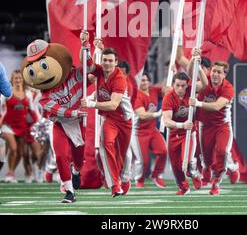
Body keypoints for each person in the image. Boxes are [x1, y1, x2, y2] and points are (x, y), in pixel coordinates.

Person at [21, 39, 88, 203]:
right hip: (60, 123)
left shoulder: (75, 76)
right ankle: (69, 192)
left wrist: (86, 48)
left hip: (78, 123)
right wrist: (76, 111)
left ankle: (77, 170)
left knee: (79, 157)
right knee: (60, 155)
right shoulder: (44, 97)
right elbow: (61, 112)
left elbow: (89, 68)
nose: (42, 74)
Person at [80, 34, 133, 198]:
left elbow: (113, 104)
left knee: (123, 155)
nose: (107, 63)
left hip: (124, 119)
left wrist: (90, 104)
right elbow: (86, 63)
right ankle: (114, 185)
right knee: (105, 146)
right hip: (109, 119)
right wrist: (87, 45)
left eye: (110, 60)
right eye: (105, 60)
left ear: (116, 62)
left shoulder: (119, 78)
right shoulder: (99, 71)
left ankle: (124, 179)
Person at [188, 56, 239, 195]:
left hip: (222, 126)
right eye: (214, 71)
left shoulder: (228, 88)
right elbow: (190, 75)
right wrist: (194, 58)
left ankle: (216, 182)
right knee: (207, 158)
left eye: (219, 72)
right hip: (205, 126)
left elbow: (217, 106)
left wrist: (197, 103)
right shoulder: (205, 82)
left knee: (222, 152)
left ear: (224, 75)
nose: (215, 74)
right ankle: (207, 170)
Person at [162, 71, 207, 195]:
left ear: (187, 85)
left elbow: (205, 83)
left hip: (189, 133)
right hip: (174, 133)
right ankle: (183, 187)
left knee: (185, 162)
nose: (180, 89)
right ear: (173, 84)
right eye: (177, 85)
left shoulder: (191, 92)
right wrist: (181, 125)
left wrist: (196, 63)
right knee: (176, 166)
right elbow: (166, 121)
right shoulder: (169, 96)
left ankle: (194, 173)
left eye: (183, 86)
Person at [0, 70, 38, 183]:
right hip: (8, 125)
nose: (18, 80)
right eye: (15, 78)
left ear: (23, 79)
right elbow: (1, 110)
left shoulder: (28, 93)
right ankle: (10, 173)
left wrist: (36, 124)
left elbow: (32, 111)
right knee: (13, 148)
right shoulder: (7, 92)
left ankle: (11, 173)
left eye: (20, 78)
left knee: (20, 153)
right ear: (12, 80)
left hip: (22, 126)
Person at [132, 72, 168, 188]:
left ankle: (156, 176)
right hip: (139, 132)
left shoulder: (153, 90)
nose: (145, 82)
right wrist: (158, 114)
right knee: (144, 161)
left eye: (147, 80)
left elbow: (166, 89)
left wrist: (172, 72)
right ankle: (139, 180)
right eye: (142, 80)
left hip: (152, 129)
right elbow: (142, 115)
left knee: (163, 151)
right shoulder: (136, 95)